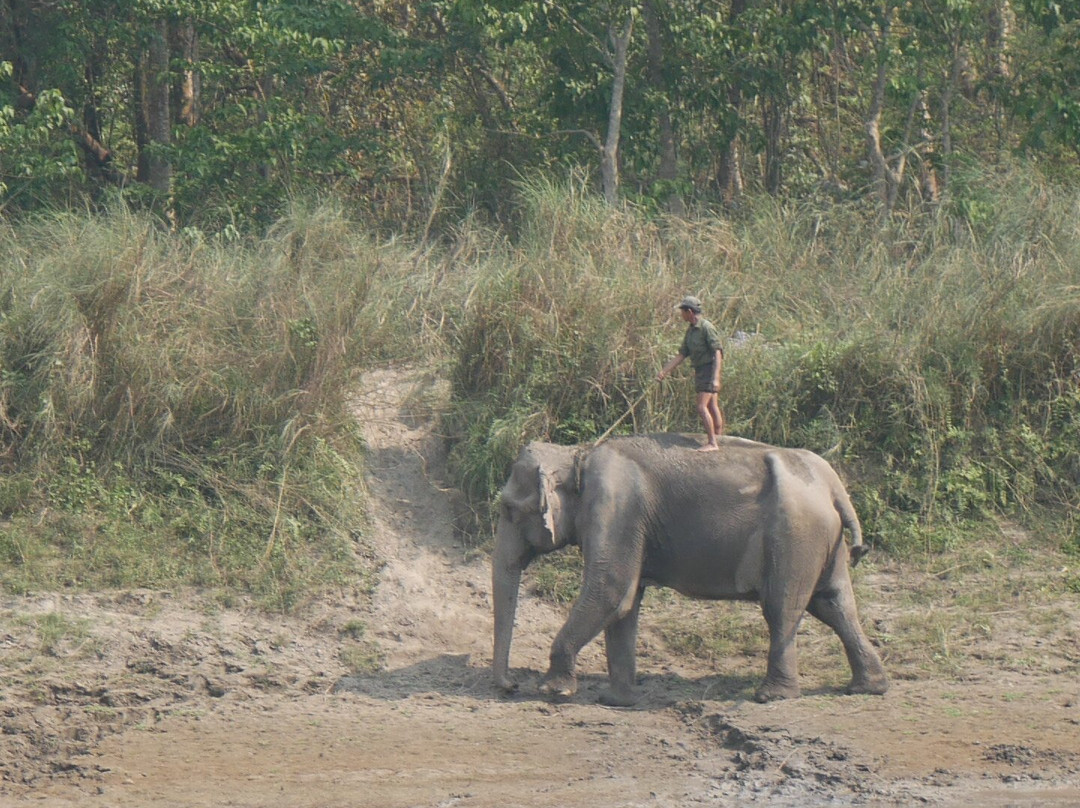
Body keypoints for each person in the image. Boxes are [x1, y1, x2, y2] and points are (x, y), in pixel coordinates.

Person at [657, 295, 724, 452]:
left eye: (682, 312)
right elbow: (682, 354)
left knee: (702, 407)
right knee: (712, 406)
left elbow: (718, 352)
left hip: (709, 369)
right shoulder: (691, 331)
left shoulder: (706, 327)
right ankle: (719, 438)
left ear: (689, 312)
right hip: (700, 371)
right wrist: (664, 372)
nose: (681, 315)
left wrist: (716, 377)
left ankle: (713, 442)